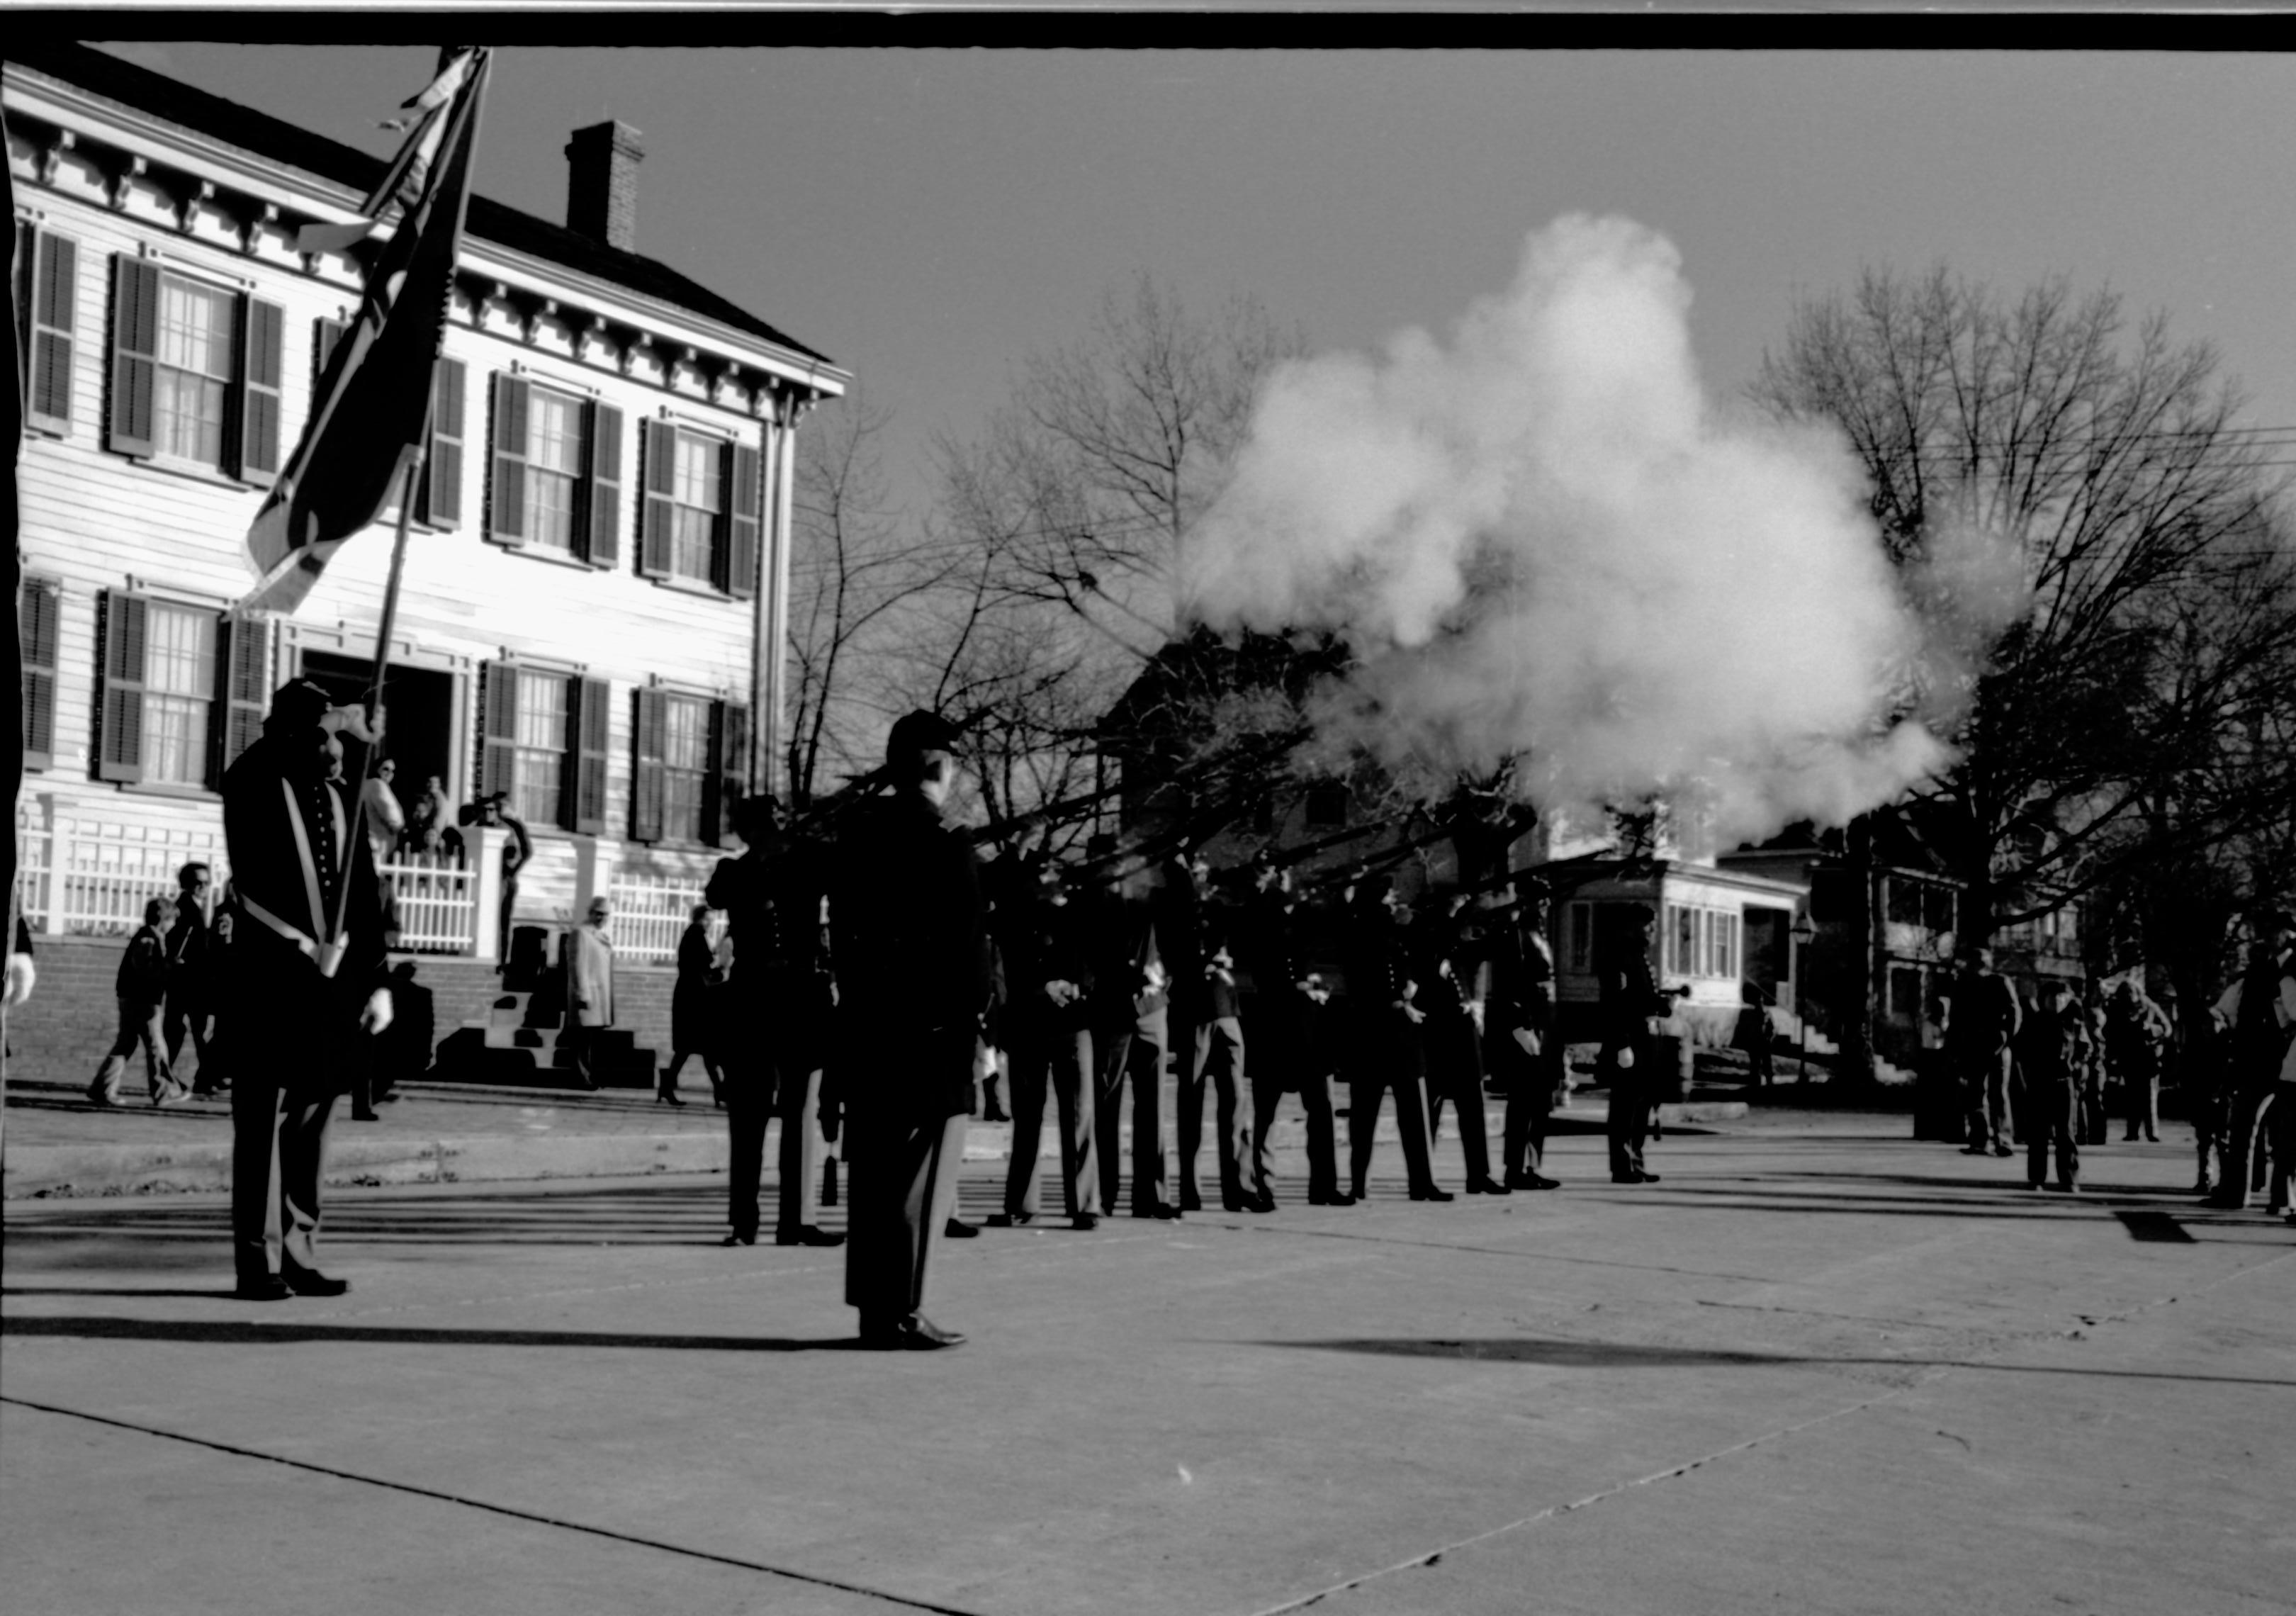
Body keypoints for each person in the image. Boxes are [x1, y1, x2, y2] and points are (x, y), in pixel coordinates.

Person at [222, 679, 393, 1301]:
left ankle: (298, 1250)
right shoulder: (255, 781)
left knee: (312, 1123)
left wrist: (377, 980)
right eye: (326, 736)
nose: (339, 747)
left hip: (334, 984)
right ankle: (259, 1262)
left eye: (341, 738)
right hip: (270, 977)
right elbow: (256, 762)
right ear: (292, 734)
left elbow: (366, 897)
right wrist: (327, 714)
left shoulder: (343, 798)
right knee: (264, 1122)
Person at [831, 712, 991, 1348]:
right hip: (929, 1034)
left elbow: (844, 938)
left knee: (872, 1175)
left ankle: (875, 1310)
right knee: (916, 1183)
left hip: (868, 1024)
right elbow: (968, 951)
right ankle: (901, 1310)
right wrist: (974, 1020)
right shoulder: (947, 839)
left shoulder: (856, 835)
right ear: (936, 768)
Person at [988, 860, 1102, 1230]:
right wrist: (1044, 986)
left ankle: (1084, 1204)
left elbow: (1099, 959)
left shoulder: (1084, 914)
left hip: (1072, 1022)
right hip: (1030, 1025)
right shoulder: (1016, 918)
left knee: (1078, 1118)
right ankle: (1022, 1201)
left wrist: (1077, 984)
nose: (1053, 882)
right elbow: (1010, 968)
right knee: (1027, 1118)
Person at [1236, 855, 1344, 1207]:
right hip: (1274, 1025)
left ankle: (1324, 1186)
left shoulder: (1301, 918)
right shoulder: (1258, 914)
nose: (1285, 880)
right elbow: (1258, 945)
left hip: (1309, 1029)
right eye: (1277, 875)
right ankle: (1262, 1186)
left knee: (1322, 1111)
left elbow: (1327, 925)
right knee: (1265, 1114)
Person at [1086, 837, 1178, 1221]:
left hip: (1152, 1008)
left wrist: (1175, 860)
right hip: (1112, 1010)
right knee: (1106, 1107)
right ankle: (1103, 1194)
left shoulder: (1147, 897)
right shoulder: (1090, 902)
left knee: (1152, 1107)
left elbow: (1180, 920)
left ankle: (1151, 1195)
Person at [1341, 874, 1446, 1203]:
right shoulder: (1366, 930)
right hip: (1383, 1030)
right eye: (1388, 896)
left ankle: (1412, 1181)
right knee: (1374, 1115)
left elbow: (1428, 946)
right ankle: (1374, 1181)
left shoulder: (1394, 930)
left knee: (1405, 1114)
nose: (1393, 901)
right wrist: (1400, 1000)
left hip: (1387, 1032)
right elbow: (1367, 979)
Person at [1165, 853, 1254, 1213]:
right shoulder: (1174, 908)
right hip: (1195, 1011)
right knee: (1192, 1102)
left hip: (1226, 1007)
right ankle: (1191, 1189)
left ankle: (1240, 1188)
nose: (1204, 879)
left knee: (1235, 1103)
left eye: (1204, 873)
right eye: (1196, 874)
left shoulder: (1219, 910)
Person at [1417, 891, 1504, 1196]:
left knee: (1473, 1110)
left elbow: (1485, 949)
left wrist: (1501, 919)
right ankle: (1423, 1178)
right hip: (1440, 1040)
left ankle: (1478, 1175)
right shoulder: (1429, 944)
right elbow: (1443, 941)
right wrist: (1450, 915)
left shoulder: (1452, 948)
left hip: (1461, 1039)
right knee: (1430, 1112)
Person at [1486, 889, 1563, 1191]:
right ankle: (1515, 1168)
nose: (1543, 906)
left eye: (1546, 900)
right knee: (1523, 1102)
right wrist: (1520, 1026)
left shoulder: (1539, 936)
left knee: (1540, 1102)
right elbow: (1508, 988)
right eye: (1538, 900)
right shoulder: (1515, 938)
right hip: (1527, 1027)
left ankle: (1532, 1165)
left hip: (1545, 1024)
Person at [1597, 904, 1677, 1185]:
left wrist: (1661, 1004)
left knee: (1640, 1105)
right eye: (1648, 925)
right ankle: (1622, 1166)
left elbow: (1641, 1000)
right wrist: (1621, 1043)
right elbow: (1614, 1004)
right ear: (1631, 926)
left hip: (1645, 1039)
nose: (1653, 931)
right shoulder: (1618, 957)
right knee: (1624, 1107)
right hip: (1630, 1040)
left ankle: (1636, 1161)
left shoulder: (1640, 958)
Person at [87, 895, 184, 1108]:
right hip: (143, 1000)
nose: (173, 925)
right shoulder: (149, 937)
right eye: (172, 920)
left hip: (132, 997)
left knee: (126, 1043)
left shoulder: (150, 936)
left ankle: (102, 1088)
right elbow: (144, 968)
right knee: (156, 1046)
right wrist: (169, 967)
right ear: (163, 919)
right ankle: (164, 1091)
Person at [1947, 948, 2022, 1160]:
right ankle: (1980, 1140)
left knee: (1998, 1094)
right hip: (1972, 1046)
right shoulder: (1962, 985)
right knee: (1975, 1095)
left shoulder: (1999, 982)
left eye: (1979, 963)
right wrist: (1954, 1048)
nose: (1975, 968)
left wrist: (2006, 1038)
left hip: (1996, 1046)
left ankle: (2003, 1141)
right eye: (1973, 963)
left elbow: (2015, 1012)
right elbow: (1955, 1019)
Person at [2018, 980, 2086, 1193]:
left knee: (2066, 1133)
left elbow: (2085, 1049)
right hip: (2039, 1081)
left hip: (2064, 1083)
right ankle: (2036, 1178)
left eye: (2061, 997)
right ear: (2043, 1000)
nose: (2056, 1001)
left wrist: (2077, 1065)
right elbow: (2021, 1048)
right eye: (2052, 997)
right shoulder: (2033, 1022)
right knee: (2038, 1132)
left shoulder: (2074, 1023)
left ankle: (2069, 1178)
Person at [164, 862, 222, 1091]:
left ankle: (198, 1077)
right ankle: (181, 1077)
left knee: (189, 1031)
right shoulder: (185, 908)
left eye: (207, 883)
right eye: (198, 883)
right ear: (186, 883)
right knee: (186, 1031)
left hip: (191, 982)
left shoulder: (194, 908)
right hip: (188, 982)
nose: (203, 887)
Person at [663, 903, 726, 1107]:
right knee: (699, 1048)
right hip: (694, 999)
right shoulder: (696, 936)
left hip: (689, 996)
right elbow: (701, 966)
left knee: (694, 1049)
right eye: (707, 919)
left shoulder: (692, 935)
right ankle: (718, 1091)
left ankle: (718, 1090)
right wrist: (717, 971)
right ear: (699, 919)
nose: (710, 923)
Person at [2105, 978, 2172, 1143]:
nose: (2128, 997)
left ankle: (2152, 1132)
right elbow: (2111, 1033)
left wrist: (2151, 1029)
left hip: (2149, 1058)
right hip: (2129, 1058)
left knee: (2149, 1096)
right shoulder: (2117, 1010)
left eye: (2130, 993)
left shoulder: (2150, 1007)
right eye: (2124, 994)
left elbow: (2167, 1028)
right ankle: (2132, 1132)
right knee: (2132, 1096)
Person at [566, 897, 616, 1092]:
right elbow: (577, 966)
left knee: (592, 1039)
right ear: (590, 913)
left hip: (600, 996)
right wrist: (582, 994)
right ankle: (581, 1076)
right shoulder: (581, 934)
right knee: (582, 1039)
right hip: (589, 995)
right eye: (598, 913)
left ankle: (591, 1075)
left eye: (605, 914)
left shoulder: (600, 935)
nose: (601, 917)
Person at [483, 792, 532, 968]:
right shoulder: (485, 824)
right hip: (490, 877)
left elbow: (526, 852)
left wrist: (512, 871)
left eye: (501, 806)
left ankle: (502, 960)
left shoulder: (513, 826)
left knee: (502, 920)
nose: (500, 809)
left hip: (505, 878)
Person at [360, 758, 407, 871]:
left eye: (392, 771)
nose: (389, 773)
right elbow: (393, 819)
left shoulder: (365, 784)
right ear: (376, 768)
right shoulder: (378, 785)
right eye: (386, 769)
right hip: (378, 844)